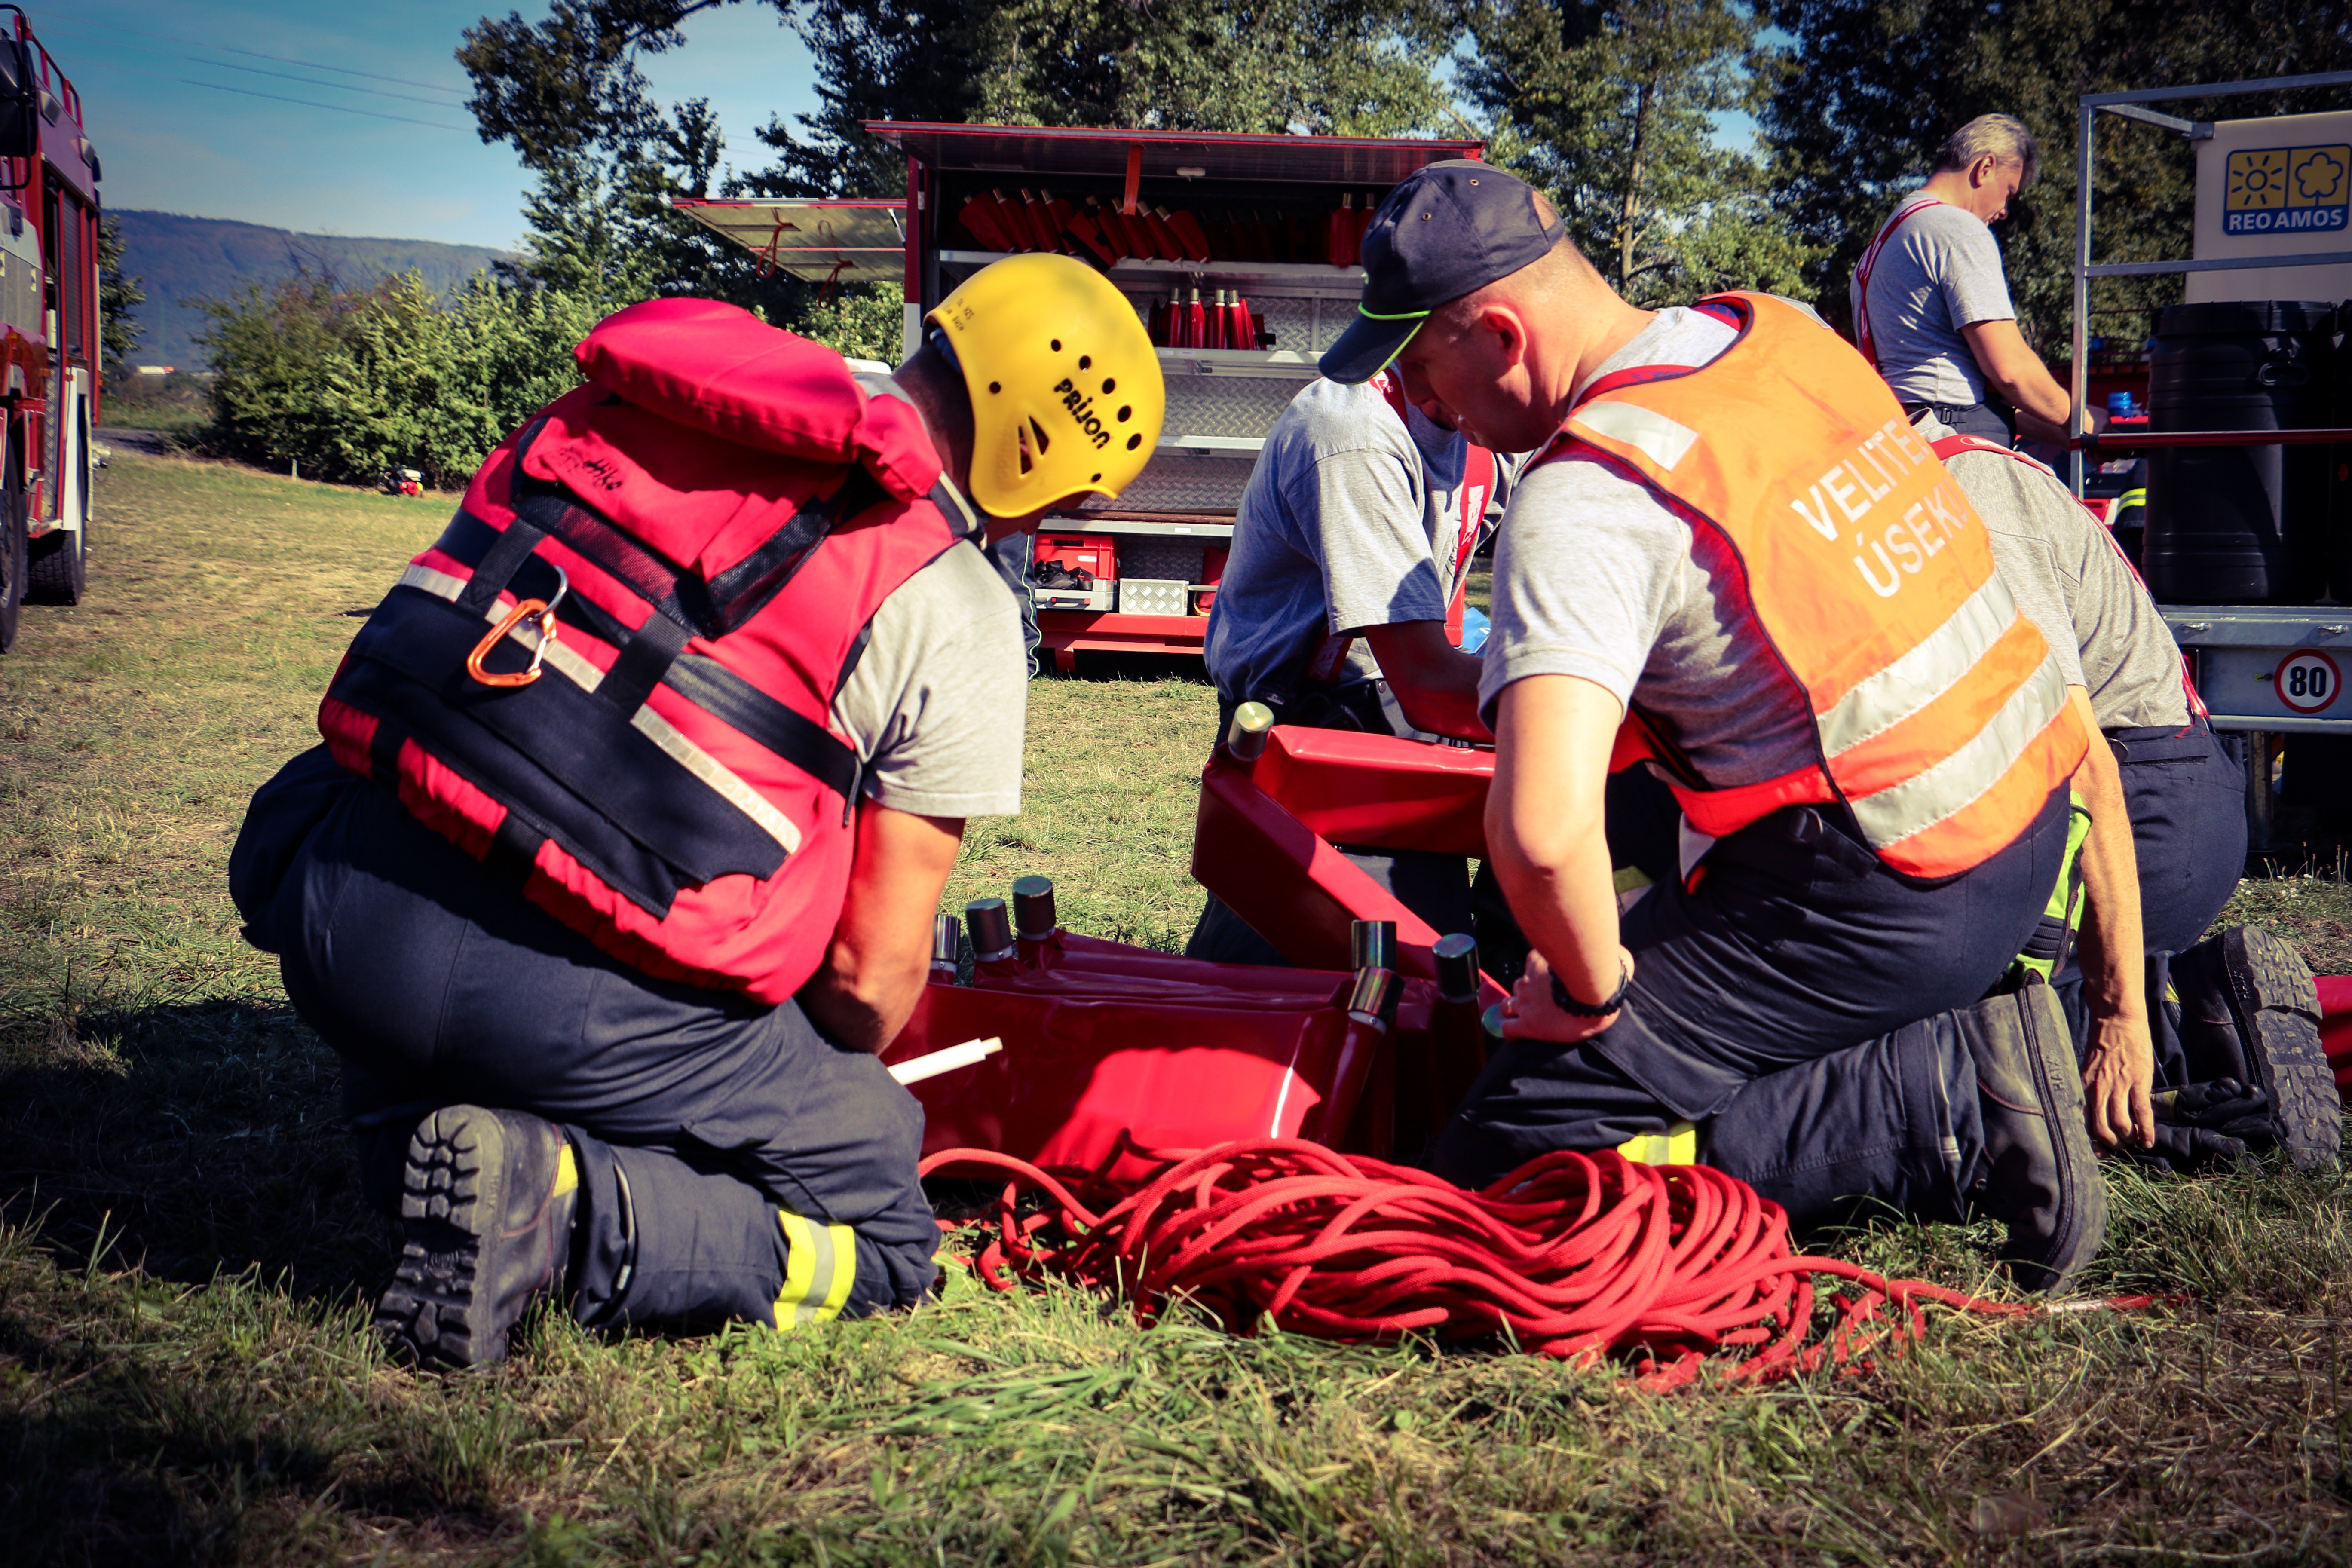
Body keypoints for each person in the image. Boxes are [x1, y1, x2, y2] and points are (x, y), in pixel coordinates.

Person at [228, 255, 1165, 1367]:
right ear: (1044, 448)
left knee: (452, 1063)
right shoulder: (954, 603)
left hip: (341, 908)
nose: (1063, 515)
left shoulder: (641, 413)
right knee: (884, 1210)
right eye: (1076, 492)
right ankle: (569, 1213)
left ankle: (421, 1143)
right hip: (557, 1005)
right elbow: (868, 983)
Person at [1325, 159, 2107, 1286]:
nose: (1423, 406)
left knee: (1501, 1155)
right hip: (2022, 826)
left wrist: (1590, 991)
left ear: (1500, 334)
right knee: (1655, 1011)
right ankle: (1938, 1049)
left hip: (1889, 878)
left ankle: (1953, 1089)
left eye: (1421, 370)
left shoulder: (1587, 494)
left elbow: (1541, 835)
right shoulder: (1774, 336)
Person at [1919, 417, 2337, 1167]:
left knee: (1986, 1040)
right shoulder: (1941, 477)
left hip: (2138, 801)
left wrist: (2118, 1016)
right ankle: (2211, 1007)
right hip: (2153, 791)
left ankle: (2213, 1037)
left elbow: (2075, 748)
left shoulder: (1961, 489)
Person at [1185, 374, 1513, 961]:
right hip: (1307, 725)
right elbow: (1430, 688)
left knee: (1424, 967)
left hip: (1396, 711)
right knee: (1344, 967)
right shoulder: (1352, 437)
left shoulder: (1495, 426)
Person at [1850, 114, 2073, 447]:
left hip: (1899, 430)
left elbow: (1937, 382)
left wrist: (2060, 428)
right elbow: (2011, 371)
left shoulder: (1888, 237)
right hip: (1952, 434)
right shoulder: (1956, 228)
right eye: (2009, 193)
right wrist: (2078, 419)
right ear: (1985, 167)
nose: (2004, 211)